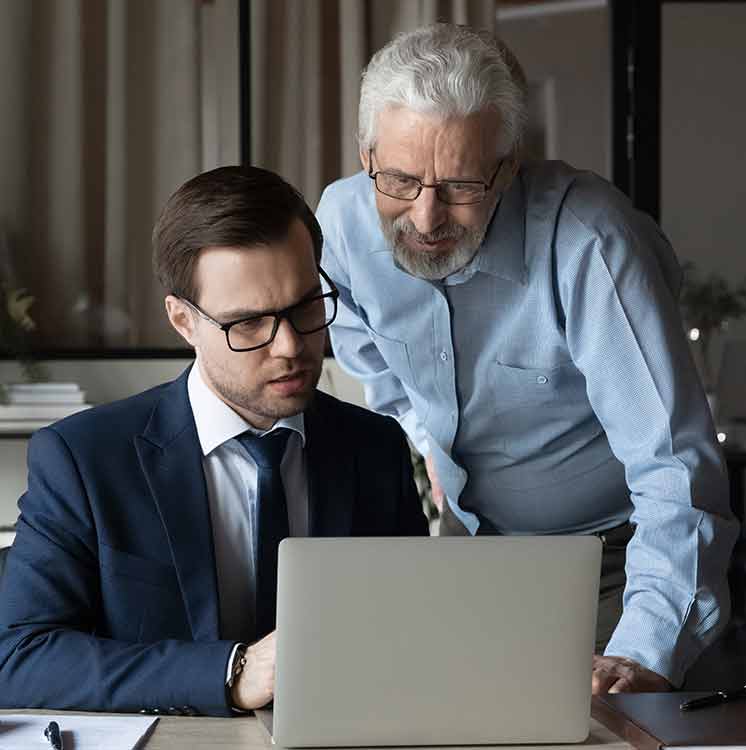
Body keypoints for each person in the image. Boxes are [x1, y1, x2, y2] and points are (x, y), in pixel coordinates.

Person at [316, 23, 738, 693]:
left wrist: (645, 653)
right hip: (472, 554)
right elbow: (372, 360)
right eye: (398, 180)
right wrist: (425, 436)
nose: (426, 220)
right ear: (365, 154)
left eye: (459, 187)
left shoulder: (591, 244)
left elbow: (675, 471)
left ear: (508, 168)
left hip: (619, 566)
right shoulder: (339, 224)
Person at [0, 166, 427, 715]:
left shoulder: (374, 448)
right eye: (248, 323)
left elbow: (413, 633)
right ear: (183, 321)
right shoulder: (83, 459)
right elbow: (20, 658)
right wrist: (231, 672)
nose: (290, 346)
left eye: (305, 307)